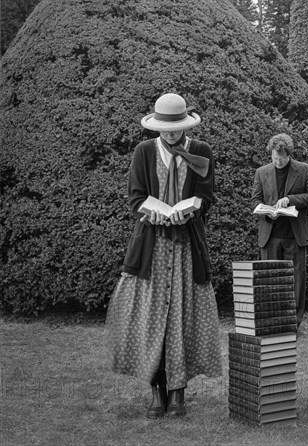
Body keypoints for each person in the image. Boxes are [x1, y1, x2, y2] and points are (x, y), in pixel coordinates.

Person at [105, 93, 222, 419]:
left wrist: (191, 210)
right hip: (152, 249)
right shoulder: (144, 152)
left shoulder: (200, 152)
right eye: (166, 129)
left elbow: (206, 196)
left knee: (182, 320)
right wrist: (155, 212)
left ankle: (178, 393)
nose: (171, 134)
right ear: (157, 127)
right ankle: (157, 391)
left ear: (186, 125)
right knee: (152, 321)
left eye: (177, 128)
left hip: (186, 249)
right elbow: (135, 198)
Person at [251, 133, 308, 328]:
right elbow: (255, 200)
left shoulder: (305, 170)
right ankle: (271, 323)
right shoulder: (261, 172)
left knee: (295, 281)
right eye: (274, 158)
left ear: (289, 154)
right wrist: (267, 213)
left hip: (295, 235)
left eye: (281, 158)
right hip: (270, 235)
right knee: (269, 280)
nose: (278, 162)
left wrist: (291, 199)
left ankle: (293, 323)